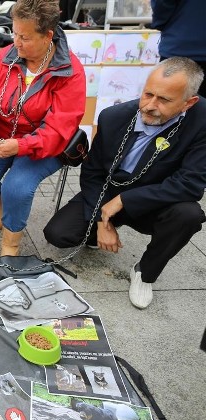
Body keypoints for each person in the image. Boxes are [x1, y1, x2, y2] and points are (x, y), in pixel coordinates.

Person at [43, 57, 206, 309]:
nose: (150, 106)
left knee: (189, 214)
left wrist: (124, 201)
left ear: (189, 102)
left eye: (163, 100)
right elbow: (93, 173)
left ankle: (145, 273)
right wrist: (101, 219)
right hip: (110, 189)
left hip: (156, 198)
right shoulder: (113, 117)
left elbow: (190, 184)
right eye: (148, 94)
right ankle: (98, 234)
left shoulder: (202, 121)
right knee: (58, 234)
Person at [0, 0, 85, 256]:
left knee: (17, 185)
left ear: (48, 36)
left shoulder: (69, 72)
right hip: (2, 134)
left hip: (44, 145)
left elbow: (59, 129)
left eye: (24, 37)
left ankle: (10, 245)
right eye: (14, 33)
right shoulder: (5, 57)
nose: (16, 42)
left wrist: (23, 145)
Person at [151, 0, 206, 97]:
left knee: (171, 103)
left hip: (181, 42)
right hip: (183, 41)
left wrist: (160, 23)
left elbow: (162, 4)